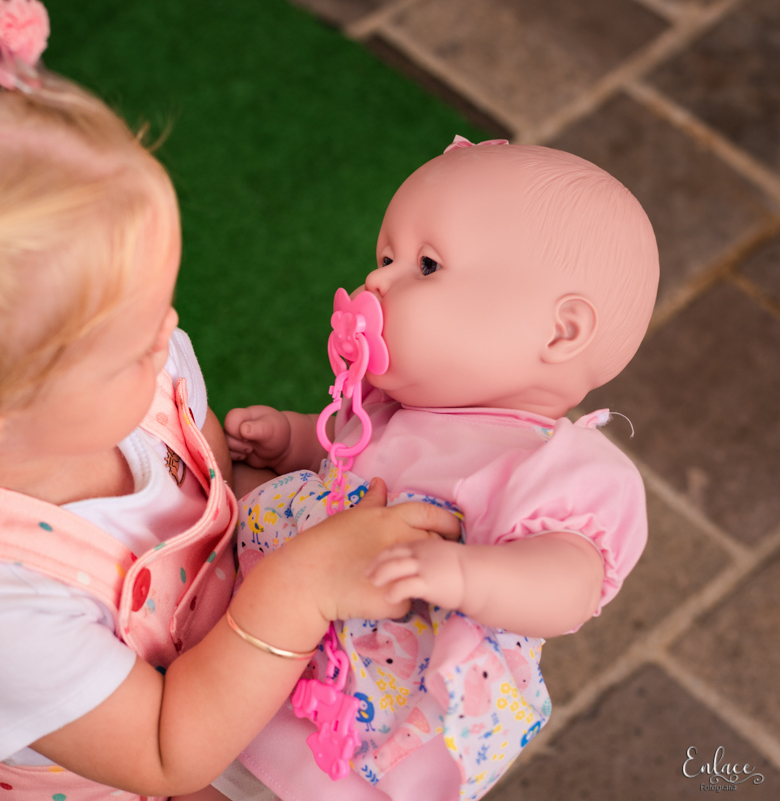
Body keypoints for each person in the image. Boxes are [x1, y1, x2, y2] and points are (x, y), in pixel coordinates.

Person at [0, 1, 463, 799]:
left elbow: (206, 493)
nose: (172, 334)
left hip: (225, 675)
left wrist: (273, 494)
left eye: (160, 305)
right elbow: (164, 751)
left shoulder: (127, 377)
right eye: (137, 340)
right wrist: (302, 587)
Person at [219, 137, 659, 801]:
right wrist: (290, 442)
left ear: (561, 332)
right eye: (385, 257)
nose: (376, 282)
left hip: (356, 745)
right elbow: (339, 465)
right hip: (247, 670)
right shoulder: (387, 410)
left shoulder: (551, 467)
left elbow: (570, 583)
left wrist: (464, 573)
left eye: (425, 264)